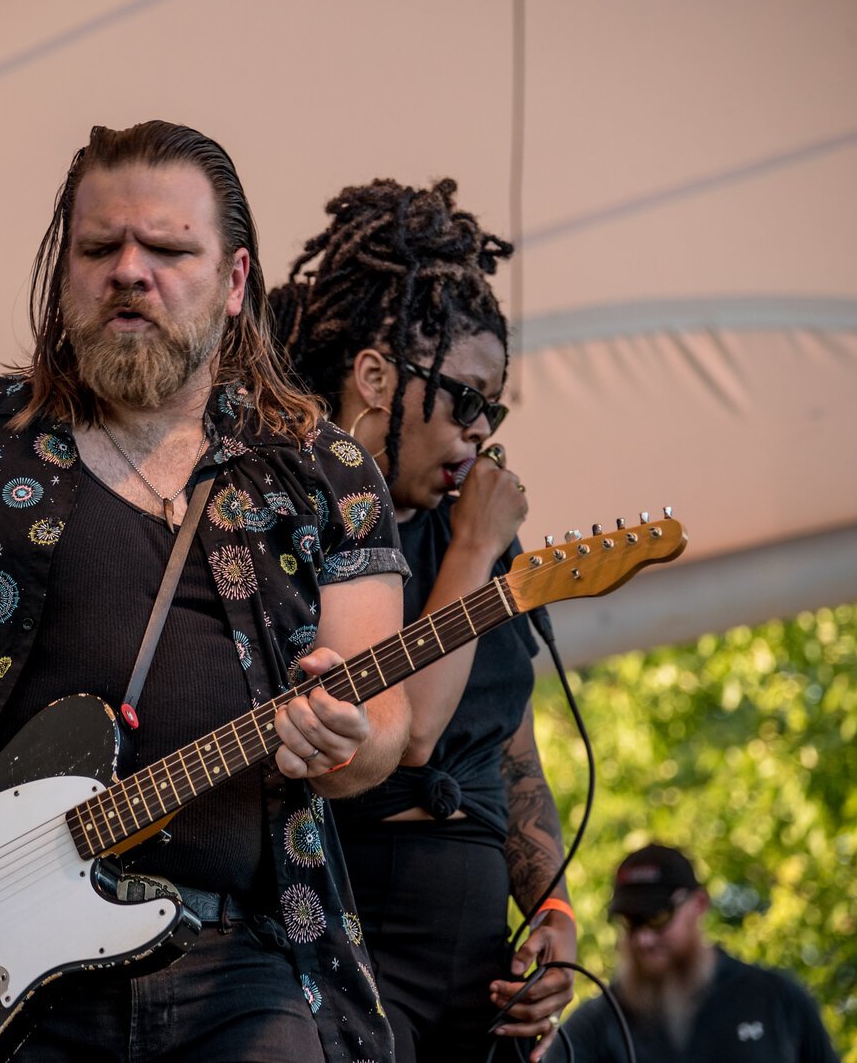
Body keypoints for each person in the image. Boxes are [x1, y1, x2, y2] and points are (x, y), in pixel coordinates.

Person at [0, 121, 414, 1063]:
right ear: (63, 269)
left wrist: (349, 744)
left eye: (167, 249)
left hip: (240, 964)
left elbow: (378, 719)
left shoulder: (324, 474)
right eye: (100, 247)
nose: (129, 271)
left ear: (234, 283)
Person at [270, 178, 576, 1063]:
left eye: (496, 408)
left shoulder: (467, 532)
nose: (481, 432)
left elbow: (512, 751)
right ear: (376, 375)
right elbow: (410, 733)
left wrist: (553, 912)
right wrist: (475, 553)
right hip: (350, 931)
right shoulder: (293, 515)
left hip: (477, 955)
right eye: (467, 400)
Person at [554, 844, 839, 1063]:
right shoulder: (596, 1025)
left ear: (699, 904)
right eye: (630, 923)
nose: (643, 939)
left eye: (657, 918)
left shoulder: (777, 1000)